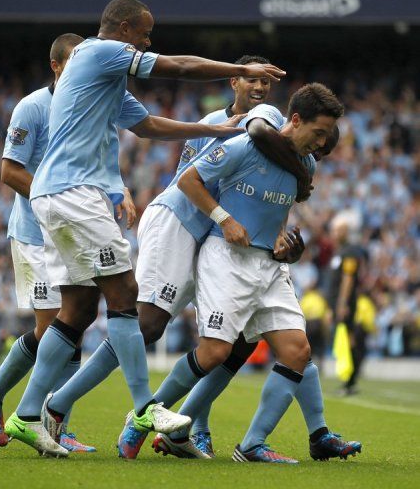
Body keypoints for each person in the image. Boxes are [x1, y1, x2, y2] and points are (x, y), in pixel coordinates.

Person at [4, 0, 286, 458]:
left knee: (76, 309)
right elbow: (177, 65)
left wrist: (216, 131)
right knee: (125, 294)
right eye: (145, 33)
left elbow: (150, 125)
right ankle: (144, 408)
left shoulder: (105, 80)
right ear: (124, 28)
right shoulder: (99, 51)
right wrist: (238, 71)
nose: (148, 41)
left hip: (60, 195)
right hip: (74, 193)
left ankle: (29, 414)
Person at [148, 84, 361, 463]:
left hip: (268, 266)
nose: (324, 142)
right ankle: (147, 416)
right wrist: (224, 218)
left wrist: (285, 247)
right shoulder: (245, 144)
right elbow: (188, 179)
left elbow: (274, 217)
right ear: (295, 120)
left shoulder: (305, 167)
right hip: (226, 257)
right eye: (320, 132)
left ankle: (251, 445)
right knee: (216, 352)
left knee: (297, 351)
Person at [0, 34, 97, 453]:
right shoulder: (32, 107)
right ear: (57, 65)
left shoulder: (86, 106)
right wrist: (56, 199)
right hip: (34, 235)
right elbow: (9, 171)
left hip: (71, 234)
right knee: (51, 332)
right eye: (76, 62)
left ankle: (57, 425)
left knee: (74, 325)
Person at [327, 214, 368, 396]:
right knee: (342, 341)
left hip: (345, 304)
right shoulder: (340, 251)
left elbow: (348, 279)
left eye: (339, 230)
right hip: (337, 304)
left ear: (346, 231)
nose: (335, 233)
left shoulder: (350, 251)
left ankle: (350, 380)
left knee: (347, 339)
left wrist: (342, 303)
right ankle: (348, 380)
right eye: (334, 229)